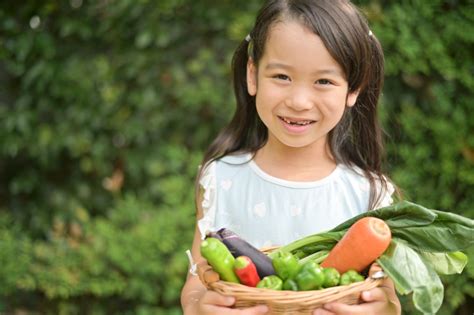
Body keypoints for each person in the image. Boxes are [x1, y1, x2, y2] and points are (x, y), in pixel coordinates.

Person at [181, 0, 401, 314]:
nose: (299, 101)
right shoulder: (222, 180)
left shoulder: (369, 193)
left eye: (324, 81)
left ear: (353, 89)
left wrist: (385, 309)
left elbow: (387, 297)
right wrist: (199, 307)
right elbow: (196, 285)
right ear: (253, 74)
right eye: (282, 76)